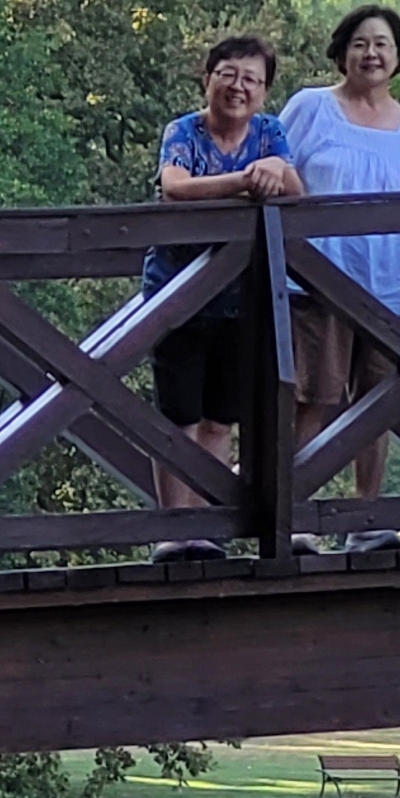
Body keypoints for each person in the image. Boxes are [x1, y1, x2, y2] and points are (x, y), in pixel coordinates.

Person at [279, 5, 400, 553]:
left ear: (398, 56)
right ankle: (294, 516)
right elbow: (276, 171)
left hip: (389, 284)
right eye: (361, 43)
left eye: (383, 44)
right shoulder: (311, 107)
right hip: (317, 279)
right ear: (342, 52)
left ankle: (366, 518)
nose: (372, 54)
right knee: (313, 398)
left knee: (377, 403)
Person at [147, 35, 299, 559]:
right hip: (177, 294)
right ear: (207, 78)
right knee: (178, 416)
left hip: (241, 299)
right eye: (228, 74)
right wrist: (246, 180)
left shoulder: (270, 132)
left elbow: (295, 189)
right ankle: (174, 530)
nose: (239, 87)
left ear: (265, 91)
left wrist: (275, 172)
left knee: (219, 418)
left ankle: (207, 529)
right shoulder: (183, 131)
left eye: (252, 79)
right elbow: (175, 187)